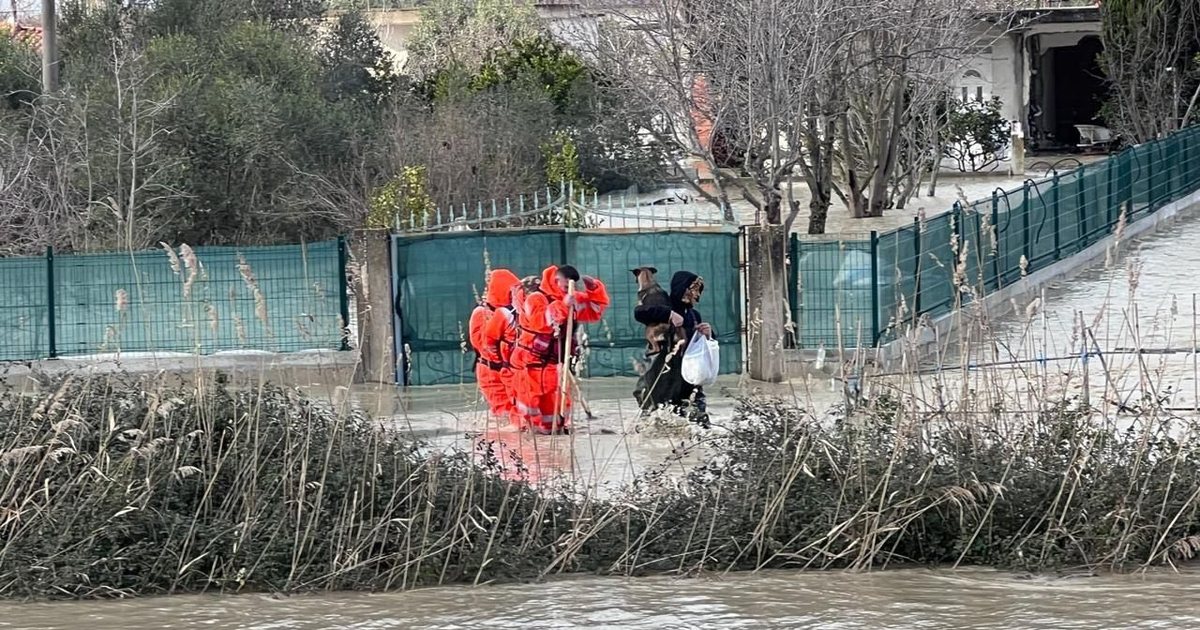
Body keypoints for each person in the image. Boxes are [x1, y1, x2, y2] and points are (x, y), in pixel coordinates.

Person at [510, 264, 609, 434]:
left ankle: (555, 438)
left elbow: (595, 311)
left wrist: (594, 289)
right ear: (556, 281)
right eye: (564, 286)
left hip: (553, 363)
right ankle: (528, 441)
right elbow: (541, 322)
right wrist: (563, 306)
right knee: (529, 407)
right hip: (531, 363)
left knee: (557, 408)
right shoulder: (536, 298)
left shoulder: (570, 298)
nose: (567, 290)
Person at [633, 270, 713, 427]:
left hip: (688, 375)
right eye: (692, 289)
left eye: (698, 290)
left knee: (698, 420)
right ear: (681, 288)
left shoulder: (693, 315)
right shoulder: (663, 306)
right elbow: (640, 313)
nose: (696, 295)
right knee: (655, 418)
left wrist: (708, 334)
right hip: (664, 372)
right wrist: (669, 315)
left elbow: (702, 345)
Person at [469, 269, 521, 420]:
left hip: (509, 370)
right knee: (503, 413)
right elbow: (483, 345)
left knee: (518, 411)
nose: (515, 297)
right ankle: (503, 442)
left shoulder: (511, 314)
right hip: (491, 371)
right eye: (512, 293)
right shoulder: (481, 313)